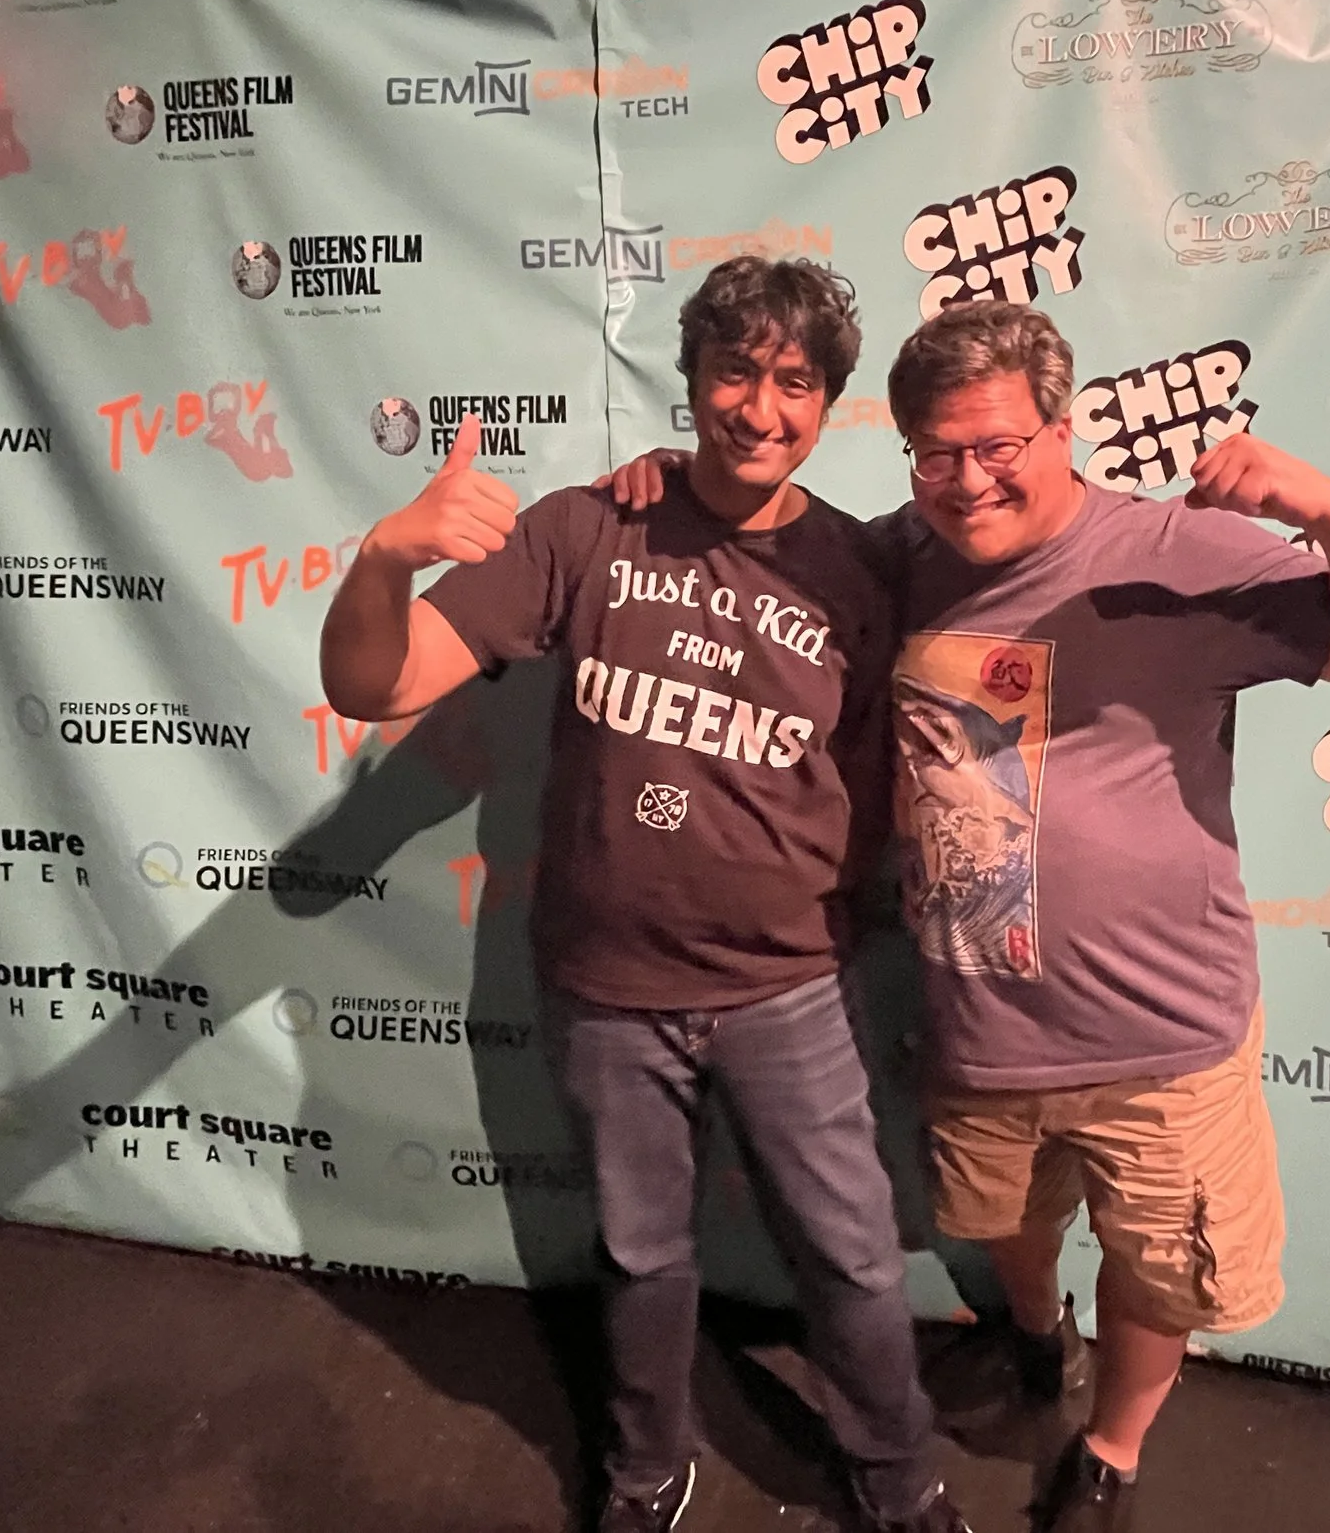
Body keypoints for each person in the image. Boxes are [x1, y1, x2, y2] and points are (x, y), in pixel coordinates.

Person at [614, 300, 1330, 1532]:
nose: (968, 481)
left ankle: (1111, 1451)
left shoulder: (1176, 554)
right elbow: (765, 543)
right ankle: (1032, 1338)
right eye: (937, 453)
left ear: (1062, 430)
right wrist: (670, 486)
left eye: (998, 446)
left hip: (1161, 1036)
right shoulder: (899, 557)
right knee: (1008, 1226)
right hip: (981, 1022)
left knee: (1157, 1267)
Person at [318, 257, 972, 1533]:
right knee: (638, 1253)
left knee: (850, 1258)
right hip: (605, 990)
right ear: (692, 378)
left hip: (791, 987)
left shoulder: (862, 567)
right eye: (736, 372)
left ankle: (899, 1478)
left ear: (829, 402)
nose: (760, 409)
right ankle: (644, 1468)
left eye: (795, 383)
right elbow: (372, 687)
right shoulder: (585, 529)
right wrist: (385, 556)